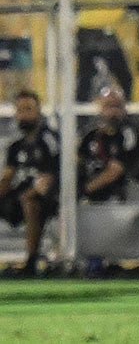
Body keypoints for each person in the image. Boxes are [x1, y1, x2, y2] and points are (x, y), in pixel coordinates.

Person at [0, 90, 59, 277]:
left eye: (28, 109)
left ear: (38, 111)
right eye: (20, 110)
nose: (24, 115)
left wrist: (29, 194)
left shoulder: (49, 140)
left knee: (29, 201)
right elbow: (8, 177)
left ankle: (31, 262)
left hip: (49, 198)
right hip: (20, 195)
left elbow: (51, 176)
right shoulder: (16, 147)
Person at [78, 87, 139, 203]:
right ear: (101, 108)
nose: (113, 111)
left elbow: (115, 171)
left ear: (124, 108)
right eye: (109, 106)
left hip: (126, 197)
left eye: (117, 106)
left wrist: (83, 191)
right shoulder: (92, 136)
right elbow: (78, 160)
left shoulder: (129, 133)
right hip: (97, 198)